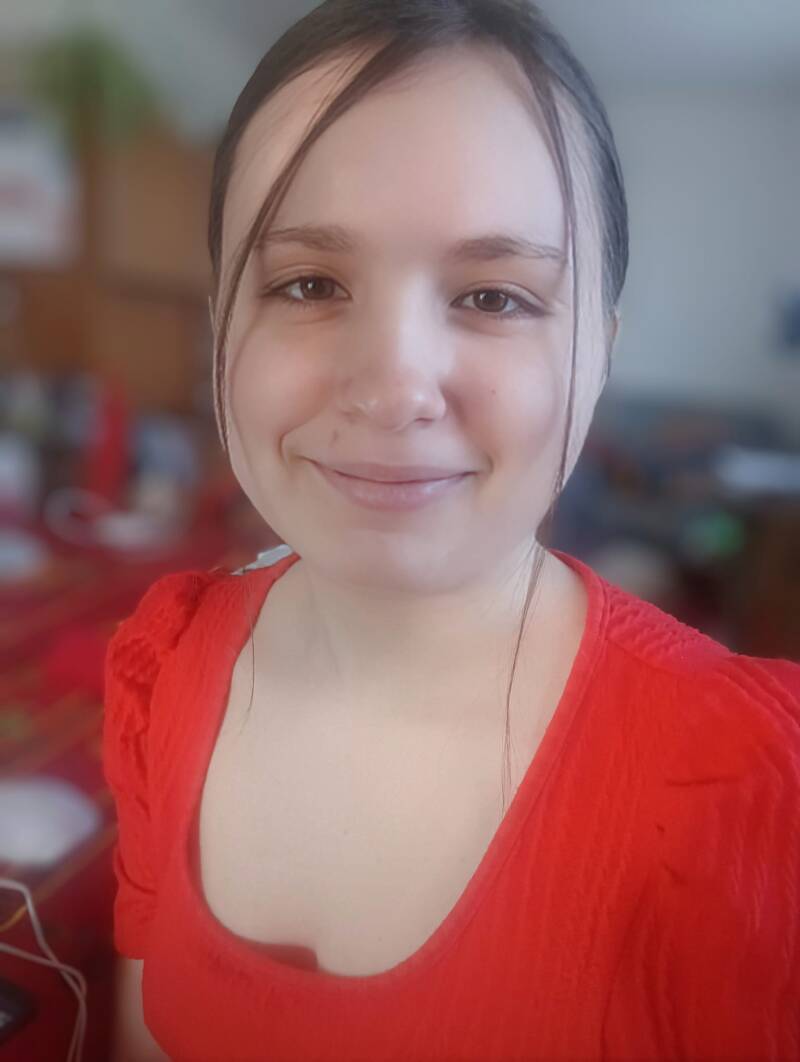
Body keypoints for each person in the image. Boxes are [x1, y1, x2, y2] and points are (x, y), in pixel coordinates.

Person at [102, 2, 800, 1059]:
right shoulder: (164, 665)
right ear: (220, 331)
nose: (393, 391)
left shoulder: (753, 795)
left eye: (494, 296)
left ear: (600, 355)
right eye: (306, 283)